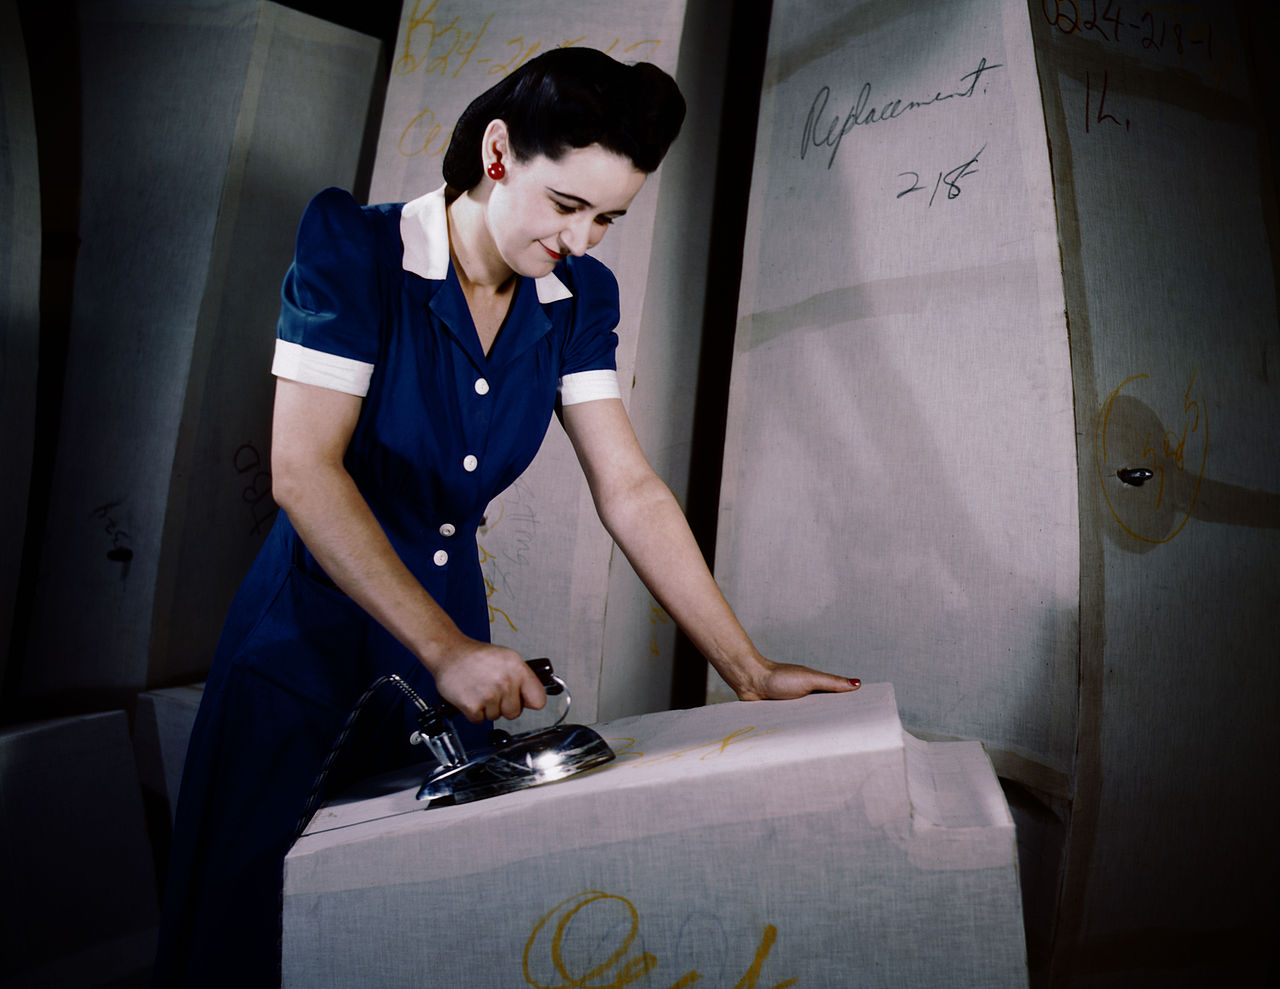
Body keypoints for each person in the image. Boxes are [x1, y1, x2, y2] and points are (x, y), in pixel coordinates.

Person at [153, 47, 858, 988]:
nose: (584, 238)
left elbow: (629, 488)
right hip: (306, 653)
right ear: (497, 153)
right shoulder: (355, 251)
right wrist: (445, 648)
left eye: (608, 217)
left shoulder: (576, 299)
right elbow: (304, 472)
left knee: (413, 936)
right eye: (567, 205)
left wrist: (749, 668)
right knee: (249, 944)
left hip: (451, 656)